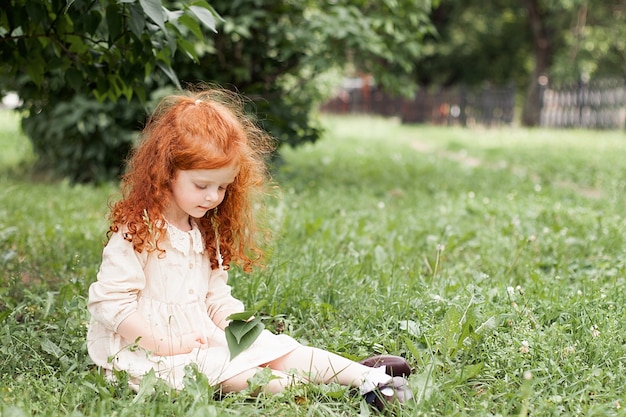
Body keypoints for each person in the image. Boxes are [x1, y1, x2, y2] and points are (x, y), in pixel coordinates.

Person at [86, 87, 413, 410]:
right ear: (167, 172)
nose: (213, 197)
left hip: (201, 338)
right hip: (147, 354)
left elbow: (216, 299)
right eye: (202, 185)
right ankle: (346, 389)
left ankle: (369, 377)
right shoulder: (138, 229)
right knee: (261, 378)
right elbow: (111, 303)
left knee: (279, 350)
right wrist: (166, 343)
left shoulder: (202, 229)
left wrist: (244, 331)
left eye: (222, 187)